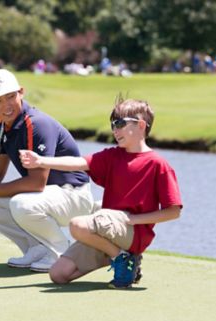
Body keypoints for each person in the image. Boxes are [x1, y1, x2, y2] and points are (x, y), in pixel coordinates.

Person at [19, 97, 182, 288]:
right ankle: (125, 260)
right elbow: (79, 163)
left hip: (132, 232)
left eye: (120, 123)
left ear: (141, 125)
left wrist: (133, 220)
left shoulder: (158, 164)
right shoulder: (112, 156)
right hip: (108, 231)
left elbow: (173, 211)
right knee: (58, 274)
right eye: (113, 125)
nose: (115, 130)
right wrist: (41, 161)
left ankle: (122, 259)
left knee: (78, 225)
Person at [0, 69, 94, 272]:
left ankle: (60, 252)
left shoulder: (36, 124)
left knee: (19, 203)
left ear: (21, 92)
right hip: (47, 198)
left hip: (73, 195)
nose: (6, 105)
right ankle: (37, 248)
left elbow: (36, 183)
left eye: (10, 96)